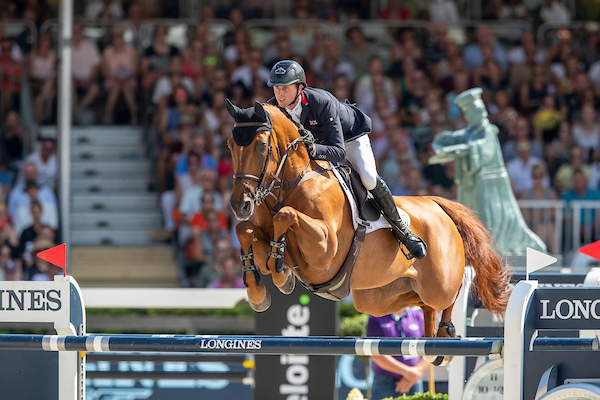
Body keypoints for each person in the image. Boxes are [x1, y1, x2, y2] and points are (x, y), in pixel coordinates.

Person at [266, 60, 426, 259]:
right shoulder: (274, 108)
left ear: (300, 88)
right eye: (276, 88)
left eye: (285, 88)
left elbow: (338, 152)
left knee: (368, 178)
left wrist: (312, 148)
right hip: (316, 146)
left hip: (349, 139)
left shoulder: (321, 102)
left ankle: (404, 232)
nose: (279, 94)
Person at [366, 308, 429, 398]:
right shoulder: (376, 316)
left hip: (414, 380)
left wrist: (415, 373)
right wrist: (407, 372)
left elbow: (429, 349)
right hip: (385, 381)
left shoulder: (417, 315)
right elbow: (374, 352)